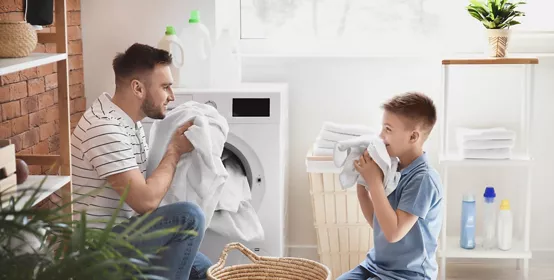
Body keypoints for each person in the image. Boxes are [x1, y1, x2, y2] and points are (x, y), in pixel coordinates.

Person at [67, 43, 211, 279]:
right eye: (165, 87)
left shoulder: (129, 122)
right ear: (138, 88)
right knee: (189, 217)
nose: (172, 96)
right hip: (95, 249)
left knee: (207, 272)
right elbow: (145, 202)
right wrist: (174, 151)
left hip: (121, 235)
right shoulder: (104, 128)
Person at [337, 92, 443, 280]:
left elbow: (394, 233)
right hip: (375, 265)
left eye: (388, 129)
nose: (381, 136)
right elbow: (379, 225)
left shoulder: (423, 179)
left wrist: (374, 181)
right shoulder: (392, 168)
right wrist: (362, 185)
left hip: (408, 274)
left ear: (413, 137)